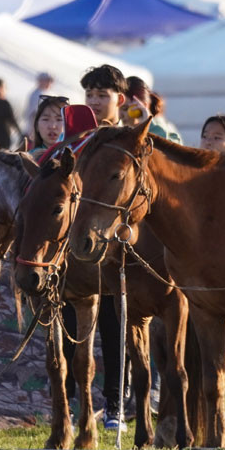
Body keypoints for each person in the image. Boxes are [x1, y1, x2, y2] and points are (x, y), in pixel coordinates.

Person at [76, 64, 131, 431]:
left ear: (120, 100)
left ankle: (115, 407)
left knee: (115, 332)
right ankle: (75, 406)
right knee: (74, 334)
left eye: (102, 96)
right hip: (79, 251)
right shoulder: (78, 140)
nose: (95, 102)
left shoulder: (130, 142)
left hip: (119, 253)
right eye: (90, 96)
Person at [124, 76, 182, 144]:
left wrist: (148, 126)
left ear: (141, 108)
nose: (119, 114)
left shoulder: (162, 127)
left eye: (124, 109)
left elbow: (175, 148)